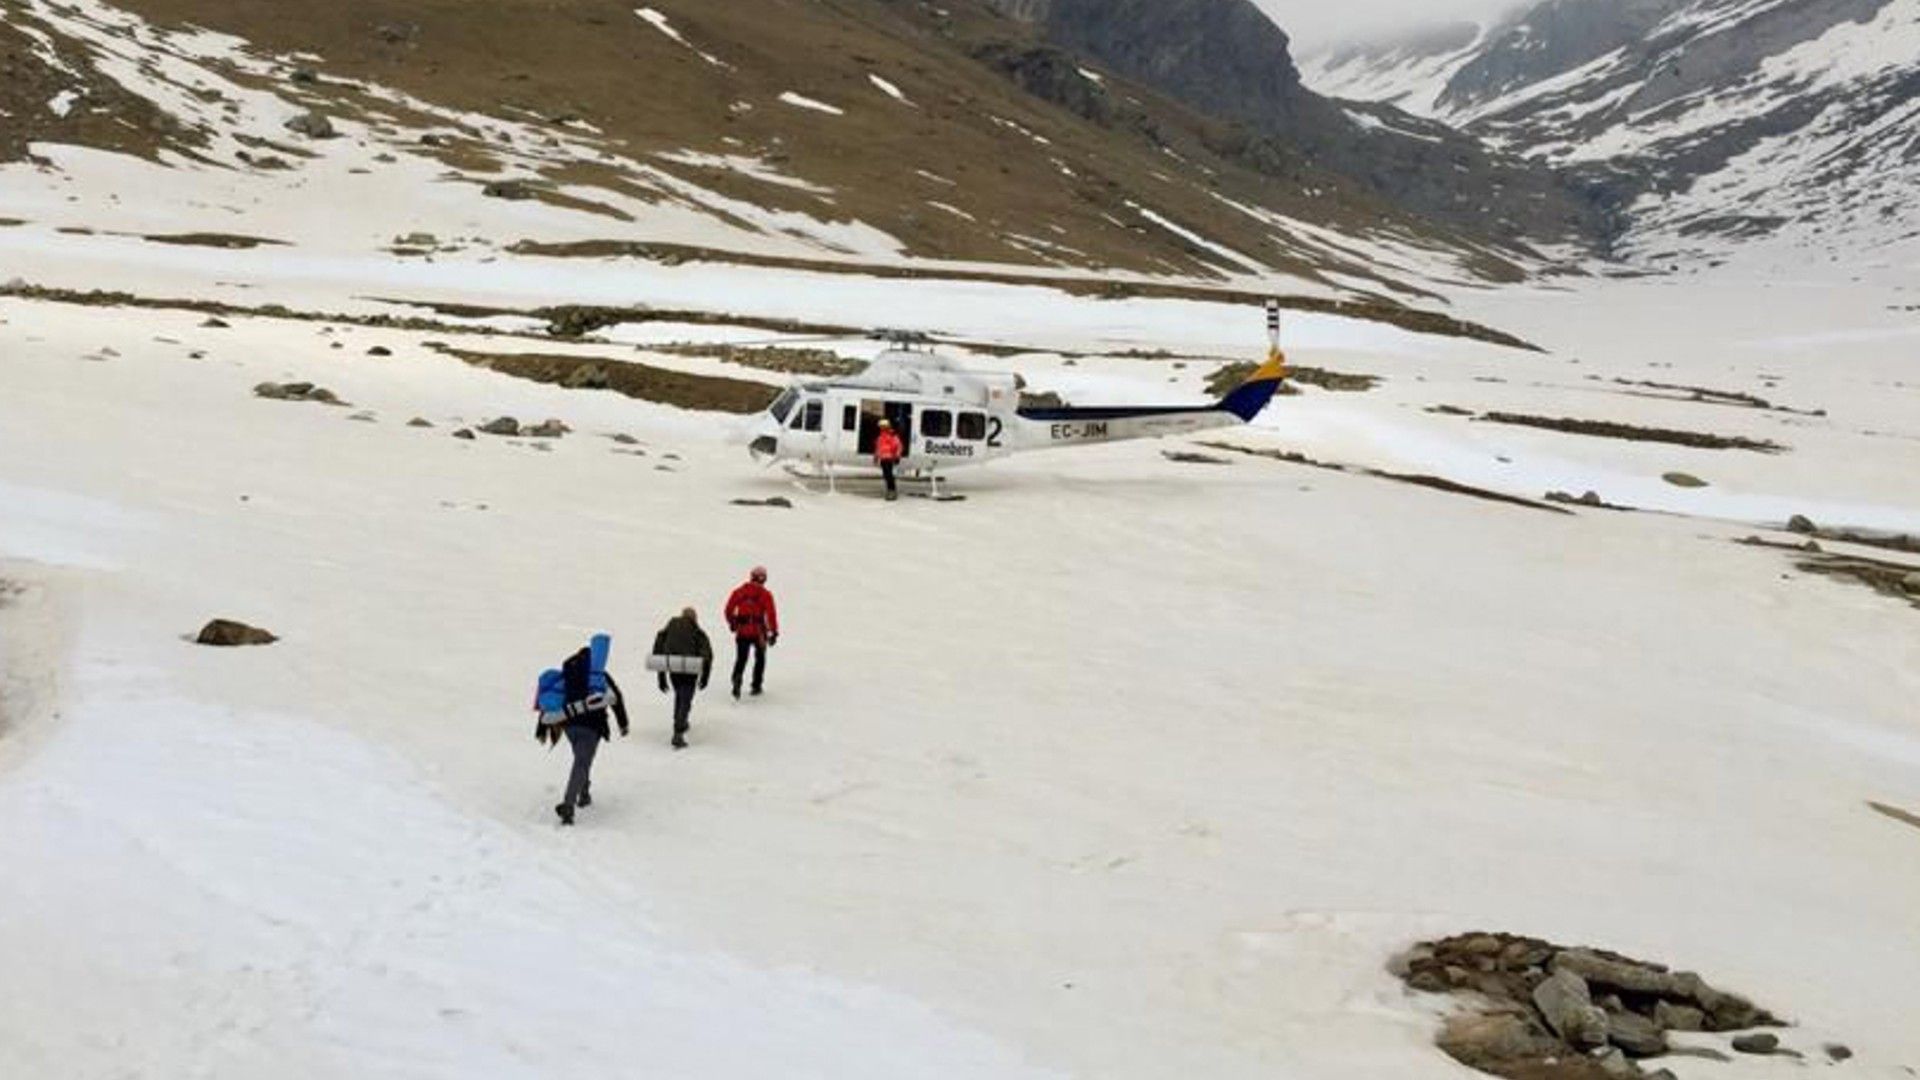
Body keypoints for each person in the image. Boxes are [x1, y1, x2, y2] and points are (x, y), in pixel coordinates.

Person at [535, 636, 629, 826]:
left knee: (582, 759)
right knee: (582, 761)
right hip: (592, 725)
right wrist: (623, 722)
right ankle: (568, 805)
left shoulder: (568, 672)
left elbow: (554, 699)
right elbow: (616, 697)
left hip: (570, 724)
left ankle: (584, 792)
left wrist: (542, 726)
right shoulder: (598, 673)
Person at [651, 607, 714, 749]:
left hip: (673, 666)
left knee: (680, 694)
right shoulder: (697, 631)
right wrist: (705, 677)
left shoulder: (670, 626)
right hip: (690, 668)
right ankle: (678, 731)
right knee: (685, 697)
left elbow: (659, 647)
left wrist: (661, 677)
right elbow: (708, 655)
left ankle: (680, 723)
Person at [724, 566, 779, 699]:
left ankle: (737, 679)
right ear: (763, 579)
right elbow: (771, 615)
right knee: (760, 658)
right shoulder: (766, 594)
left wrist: (733, 623)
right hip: (759, 632)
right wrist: (774, 632)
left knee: (741, 658)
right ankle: (756, 685)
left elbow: (728, 609)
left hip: (742, 631)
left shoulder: (739, 591)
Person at [874, 418, 904, 501]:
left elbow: (899, 446)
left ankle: (892, 491)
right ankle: (889, 490)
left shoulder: (892, 436)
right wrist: (876, 457)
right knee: (886, 475)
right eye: (880, 427)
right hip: (883, 459)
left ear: (886, 426)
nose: (881, 428)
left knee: (889, 475)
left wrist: (897, 456)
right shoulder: (880, 437)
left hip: (889, 458)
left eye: (883, 426)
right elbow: (878, 448)